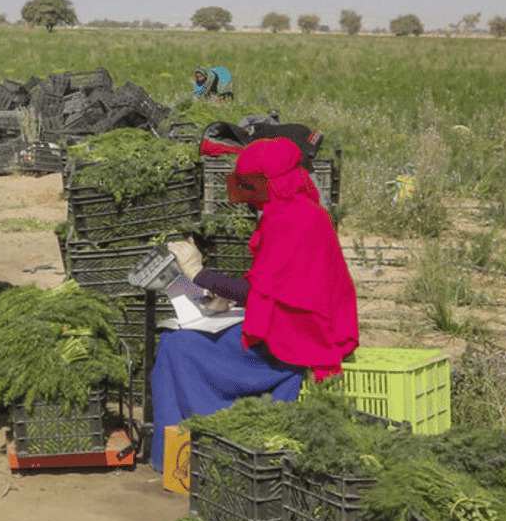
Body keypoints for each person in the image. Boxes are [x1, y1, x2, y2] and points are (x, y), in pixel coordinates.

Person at [148, 136, 358, 470]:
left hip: (296, 340)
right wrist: (226, 298)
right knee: (180, 341)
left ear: (273, 182)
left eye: (252, 185)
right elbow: (273, 289)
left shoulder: (294, 220)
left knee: (177, 346)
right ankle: (184, 450)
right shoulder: (298, 211)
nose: (247, 196)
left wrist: (198, 273)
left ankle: (186, 452)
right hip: (296, 327)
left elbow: (263, 293)